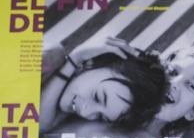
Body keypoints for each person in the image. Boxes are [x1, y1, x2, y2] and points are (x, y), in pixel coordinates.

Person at [39, 41, 169, 133]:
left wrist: (74, 60)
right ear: (91, 62)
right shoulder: (50, 57)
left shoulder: (67, 113)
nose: (86, 113)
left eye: (101, 116)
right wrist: (75, 58)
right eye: (97, 97)